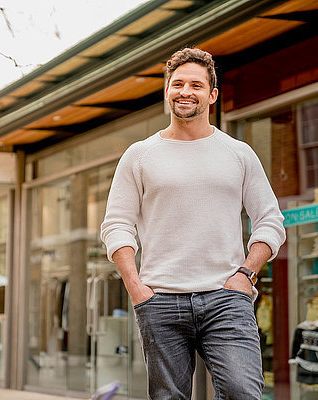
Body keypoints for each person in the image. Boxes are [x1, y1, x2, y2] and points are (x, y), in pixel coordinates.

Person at [100, 48, 286, 399]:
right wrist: (135, 286)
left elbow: (270, 220)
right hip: (160, 300)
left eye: (196, 85)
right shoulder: (139, 156)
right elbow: (117, 225)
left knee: (242, 392)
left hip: (227, 298)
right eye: (178, 83)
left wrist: (245, 274)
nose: (186, 91)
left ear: (212, 95)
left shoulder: (238, 153)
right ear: (167, 90)